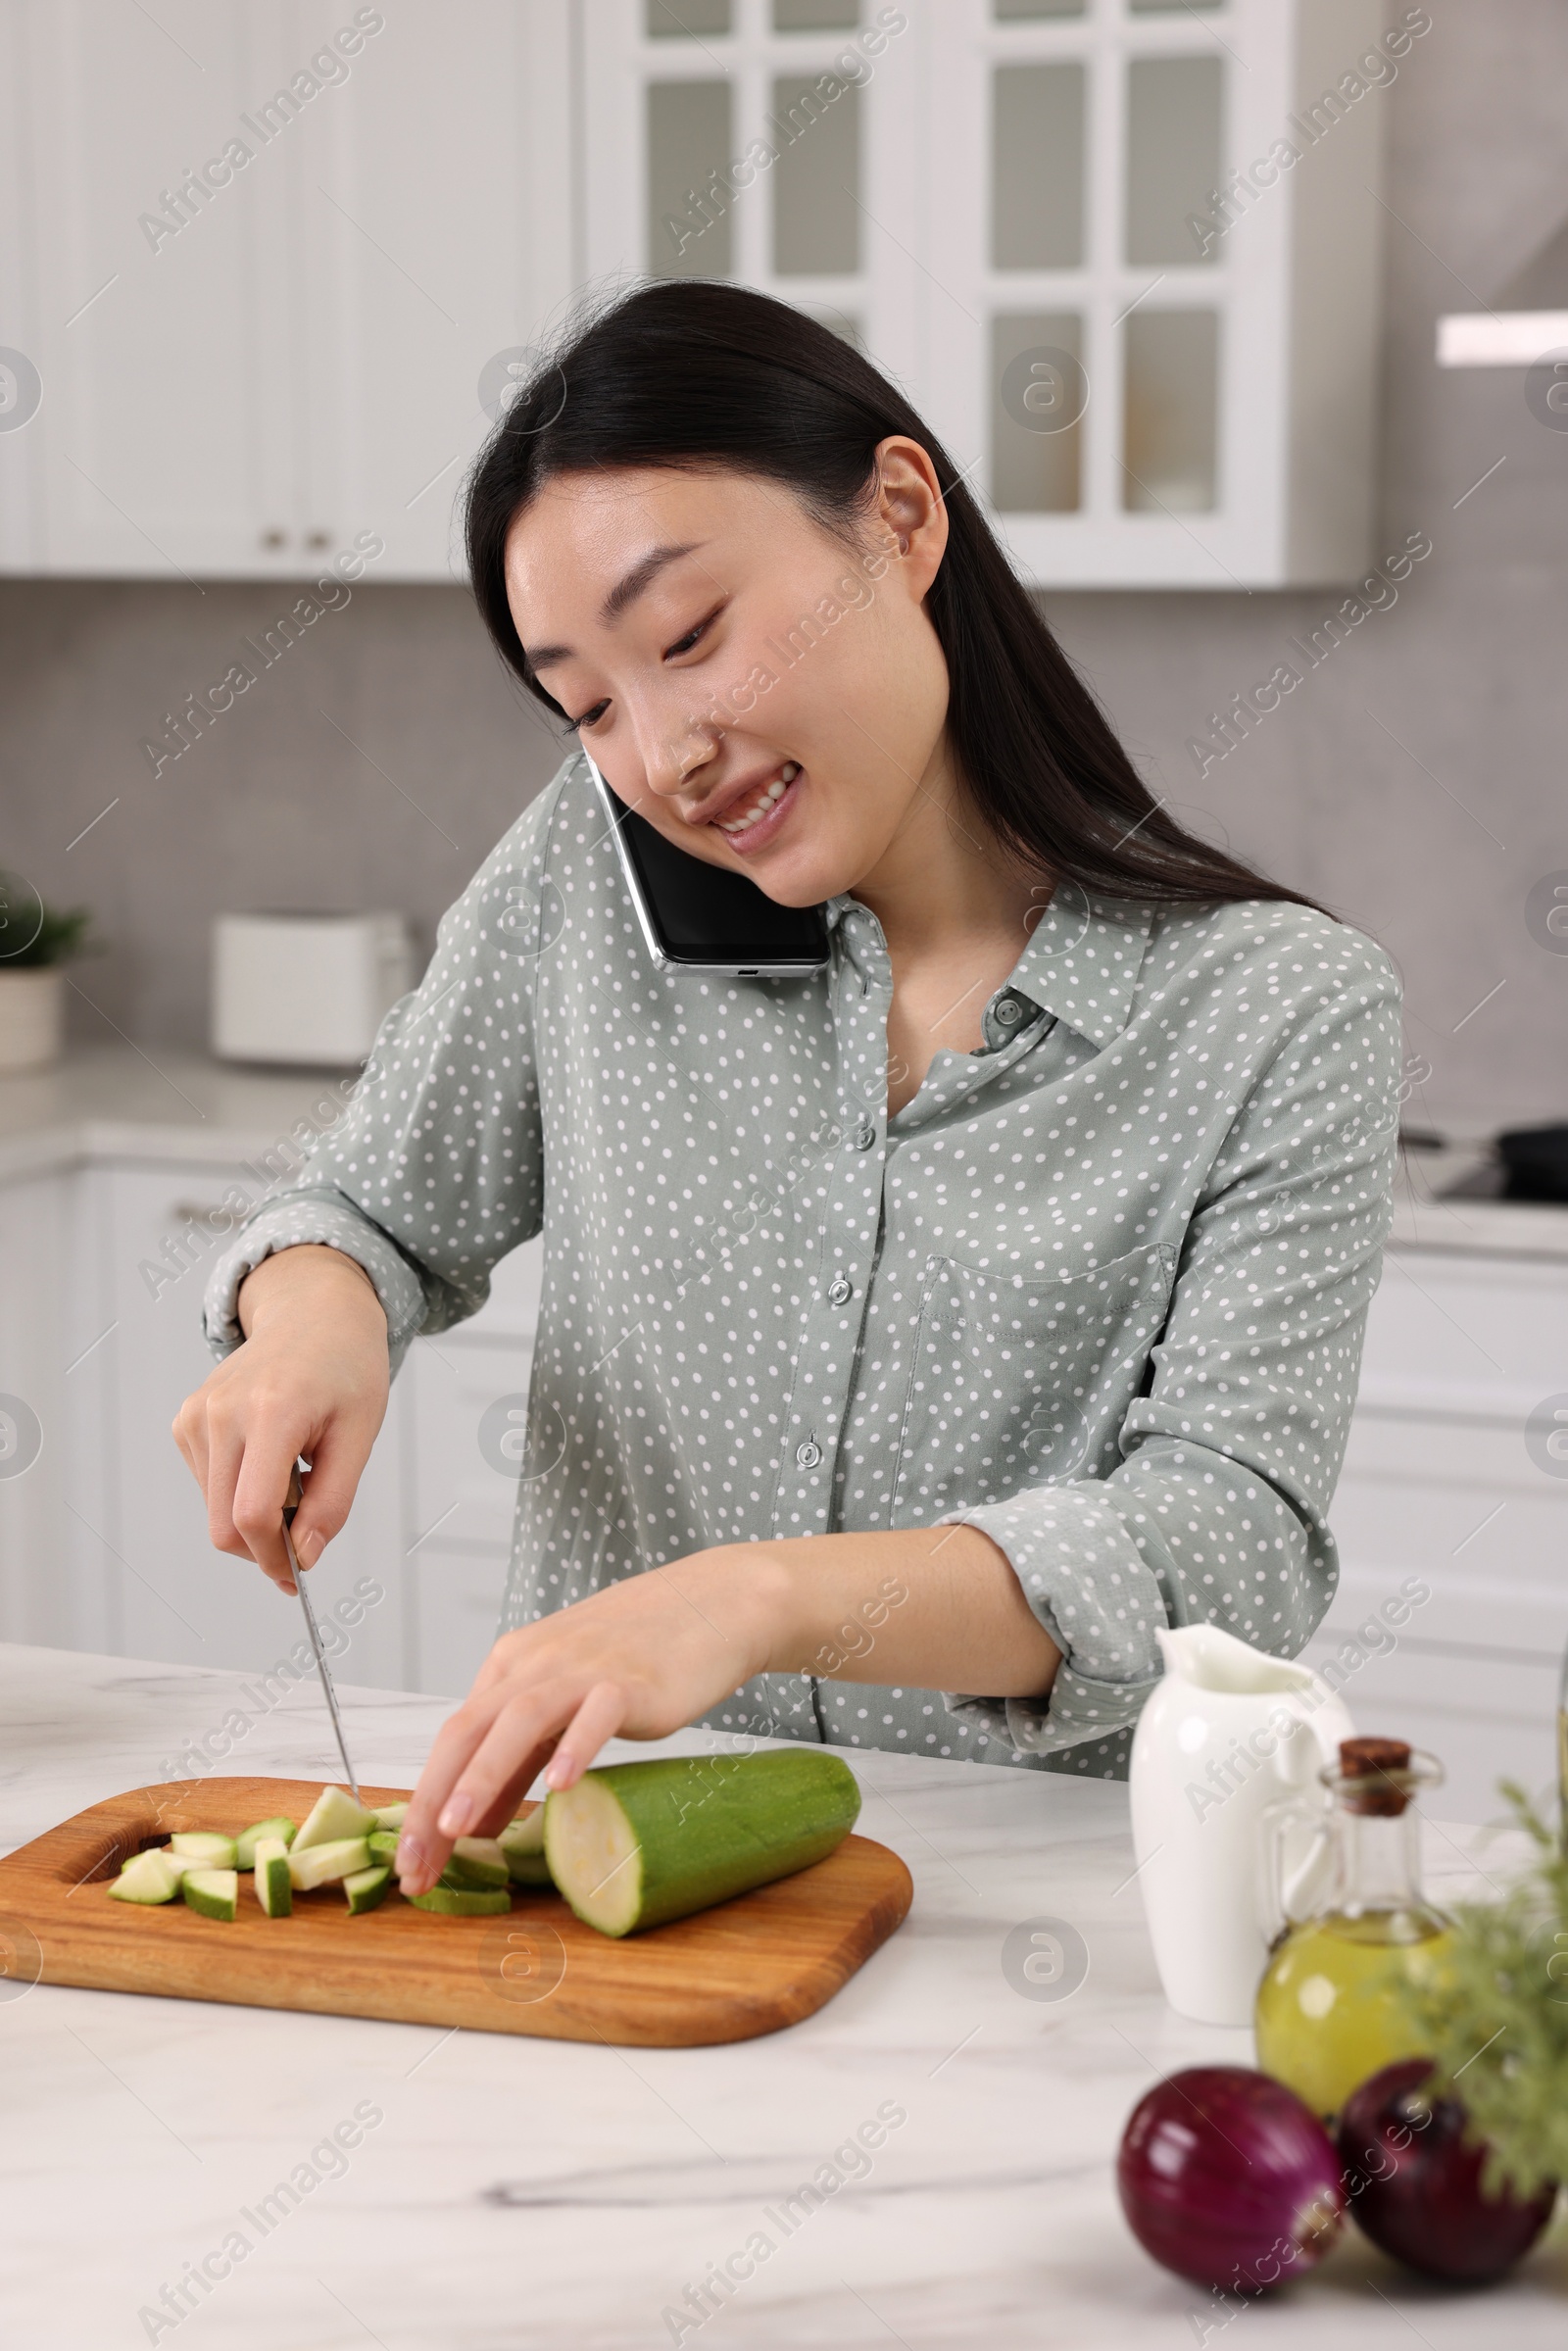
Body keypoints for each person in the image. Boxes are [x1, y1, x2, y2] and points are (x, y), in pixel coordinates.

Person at [175, 282, 1401, 1898]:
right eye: (590, 702)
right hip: (593, 1901)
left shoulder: (1274, 1013)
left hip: (1033, 1908)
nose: (664, 751)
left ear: (899, 518)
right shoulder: (584, 883)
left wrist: (762, 1594)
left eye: (688, 637)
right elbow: (371, 1207)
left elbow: (1224, 1543)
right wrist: (316, 1311)